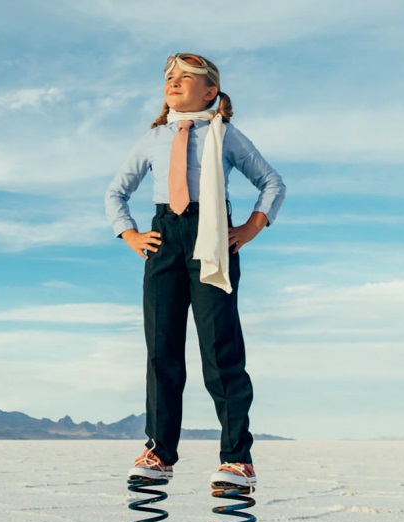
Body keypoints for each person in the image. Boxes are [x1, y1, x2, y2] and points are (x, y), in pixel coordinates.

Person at [104, 53, 285, 491]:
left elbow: (272, 183)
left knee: (220, 350)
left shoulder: (225, 135)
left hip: (213, 238)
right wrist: (129, 235)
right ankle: (159, 452)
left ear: (210, 92)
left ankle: (236, 459)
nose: (174, 81)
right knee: (161, 350)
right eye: (169, 76)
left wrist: (250, 227)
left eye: (186, 77)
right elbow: (116, 192)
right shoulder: (152, 139)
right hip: (164, 239)